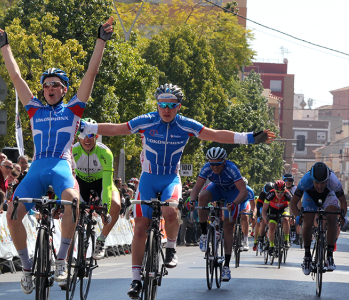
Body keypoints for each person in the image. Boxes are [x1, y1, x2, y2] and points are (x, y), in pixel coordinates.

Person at [77, 84, 275, 297]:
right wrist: (89, 128)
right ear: (157, 105)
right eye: (162, 104)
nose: (166, 109)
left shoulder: (185, 125)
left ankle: (171, 247)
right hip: (148, 179)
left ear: (178, 106)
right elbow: (117, 129)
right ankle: (135, 281)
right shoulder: (147, 120)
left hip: (171, 178)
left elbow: (216, 135)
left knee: (170, 211)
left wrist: (250, 138)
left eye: (171, 105)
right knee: (140, 227)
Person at [0, 16, 114, 294]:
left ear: (64, 90)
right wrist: (4, 45)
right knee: (12, 213)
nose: (50, 88)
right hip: (37, 169)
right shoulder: (34, 108)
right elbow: (15, 77)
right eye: (46, 85)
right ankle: (26, 266)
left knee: (72, 202)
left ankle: (61, 259)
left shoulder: (73, 111)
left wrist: (100, 42)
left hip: (61, 166)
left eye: (56, 85)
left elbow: (90, 75)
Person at [188, 148, 248, 282]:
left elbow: (243, 191)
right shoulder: (206, 168)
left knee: (228, 227)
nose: (214, 167)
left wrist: (233, 204)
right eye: (212, 164)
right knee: (202, 197)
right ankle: (204, 234)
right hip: (217, 189)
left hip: (233, 193)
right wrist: (192, 200)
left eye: (218, 164)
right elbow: (197, 187)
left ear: (224, 162)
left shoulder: (231, 168)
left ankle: (226, 266)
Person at [71, 118, 121, 260]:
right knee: (69, 207)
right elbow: (66, 179)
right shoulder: (72, 150)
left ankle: (101, 240)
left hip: (101, 182)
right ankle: (66, 259)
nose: (87, 139)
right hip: (80, 183)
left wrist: (105, 209)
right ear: (78, 137)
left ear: (96, 136)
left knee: (116, 204)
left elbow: (106, 185)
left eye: (91, 135)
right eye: (83, 135)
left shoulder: (105, 153)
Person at [290, 162, 347, 274]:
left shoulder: (334, 181)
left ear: (327, 179)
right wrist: (297, 216)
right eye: (317, 183)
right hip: (310, 196)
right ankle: (307, 256)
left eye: (323, 183)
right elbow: (293, 203)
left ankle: (329, 255)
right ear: (312, 179)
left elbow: (343, 202)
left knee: (332, 217)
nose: (320, 186)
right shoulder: (305, 181)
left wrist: (342, 216)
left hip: (329, 194)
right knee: (308, 222)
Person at [262, 179, 292, 256]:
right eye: (277, 192)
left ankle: (286, 240)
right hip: (273, 210)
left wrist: (292, 217)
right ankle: (271, 246)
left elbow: (292, 207)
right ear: (274, 190)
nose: (279, 194)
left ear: (284, 190)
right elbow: (264, 209)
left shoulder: (288, 194)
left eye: (282, 192)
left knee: (286, 218)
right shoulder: (270, 194)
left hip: (283, 208)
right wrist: (265, 218)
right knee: (271, 227)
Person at [253, 182, 274, 252]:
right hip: (264, 209)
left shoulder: (275, 194)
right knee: (262, 222)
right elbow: (258, 206)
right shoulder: (262, 194)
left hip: (273, 209)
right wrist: (259, 216)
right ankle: (261, 239)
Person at [283, 173, 300, 245]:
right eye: (286, 180)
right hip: (284, 206)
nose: (288, 182)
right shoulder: (281, 188)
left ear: (292, 181)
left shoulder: (295, 189)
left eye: (290, 180)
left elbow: (299, 201)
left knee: (297, 219)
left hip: (294, 206)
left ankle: (297, 236)